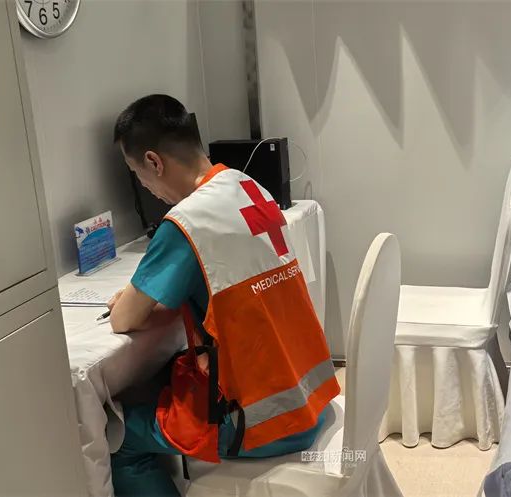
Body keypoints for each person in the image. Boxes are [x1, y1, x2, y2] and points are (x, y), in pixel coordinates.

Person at [106, 94, 339, 497]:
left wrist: (129, 297)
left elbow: (123, 319)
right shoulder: (250, 188)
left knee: (120, 439)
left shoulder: (185, 222)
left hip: (264, 422)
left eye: (136, 173)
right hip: (311, 397)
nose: (143, 186)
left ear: (154, 162)